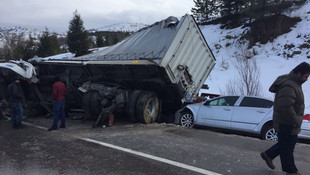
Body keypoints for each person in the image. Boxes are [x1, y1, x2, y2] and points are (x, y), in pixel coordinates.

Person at [260, 62, 310, 175]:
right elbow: (285, 107)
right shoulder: (289, 85)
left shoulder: (294, 83)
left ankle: (268, 155)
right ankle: (291, 171)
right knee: (287, 148)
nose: (307, 79)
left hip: (288, 122)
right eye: (306, 76)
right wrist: (296, 121)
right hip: (286, 123)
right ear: (299, 73)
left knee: (286, 144)